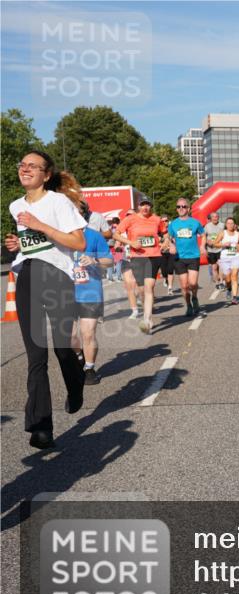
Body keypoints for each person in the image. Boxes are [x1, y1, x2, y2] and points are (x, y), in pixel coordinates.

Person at [3, 151, 87, 449]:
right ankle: (41, 426)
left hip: (56, 278)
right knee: (36, 355)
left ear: (46, 174)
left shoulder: (58, 202)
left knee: (62, 349)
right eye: (22, 165)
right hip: (27, 276)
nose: (24, 169)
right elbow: (33, 246)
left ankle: (76, 381)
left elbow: (78, 242)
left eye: (32, 166)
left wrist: (41, 226)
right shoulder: (16, 206)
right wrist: (18, 245)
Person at [114, 198, 165, 334]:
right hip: (137, 257)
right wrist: (131, 243)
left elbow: (165, 232)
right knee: (142, 290)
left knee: (149, 287)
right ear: (138, 207)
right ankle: (146, 312)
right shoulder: (130, 219)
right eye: (143, 205)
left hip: (153, 256)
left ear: (151, 207)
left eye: (148, 205)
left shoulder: (156, 219)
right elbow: (116, 235)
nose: (145, 207)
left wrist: (166, 242)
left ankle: (147, 319)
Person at [71, 224, 113, 385]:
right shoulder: (57, 233)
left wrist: (94, 260)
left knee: (87, 333)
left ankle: (89, 368)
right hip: (64, 293)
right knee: (69, 336)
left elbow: (110, 261)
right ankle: (80, 355)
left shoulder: (94, 235)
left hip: (90, 292)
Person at [167, 198, 205, 317]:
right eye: (178, 206)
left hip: (193, 256)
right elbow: (168, 237)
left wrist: (202, 246)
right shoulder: (173, 224)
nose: (181, 209)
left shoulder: (195, 222)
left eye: (183, 206)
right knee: (184, 286)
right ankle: (188, 306)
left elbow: (203, 235)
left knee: (193, 283)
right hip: (179, 258)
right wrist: (171, 245)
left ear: (188, 208)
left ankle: (195, 297)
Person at [213, 217, 239, 306]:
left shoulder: (238, 234)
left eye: (232, 223)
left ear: (234, 225)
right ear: (226, 225)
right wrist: (223, 244)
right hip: (225, 258)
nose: (230, 225)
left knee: (234, 276)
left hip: (235, 257)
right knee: (228, 278)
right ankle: (229, 288)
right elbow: (215, 243)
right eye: (228, 223)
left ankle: (234, 298)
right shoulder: (223, 233)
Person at [204, 211, 225, 289]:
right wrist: (207, 242)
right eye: (213, 217)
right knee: (214, 267)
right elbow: (203, 237)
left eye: (216, 217)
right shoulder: (207, 226)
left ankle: (221, 281)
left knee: (221, 265)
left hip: (220, 248)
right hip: (211, 250)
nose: (215, 218)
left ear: (218, 217)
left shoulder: (222, 225)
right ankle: (217, 283)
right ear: (211, 218)